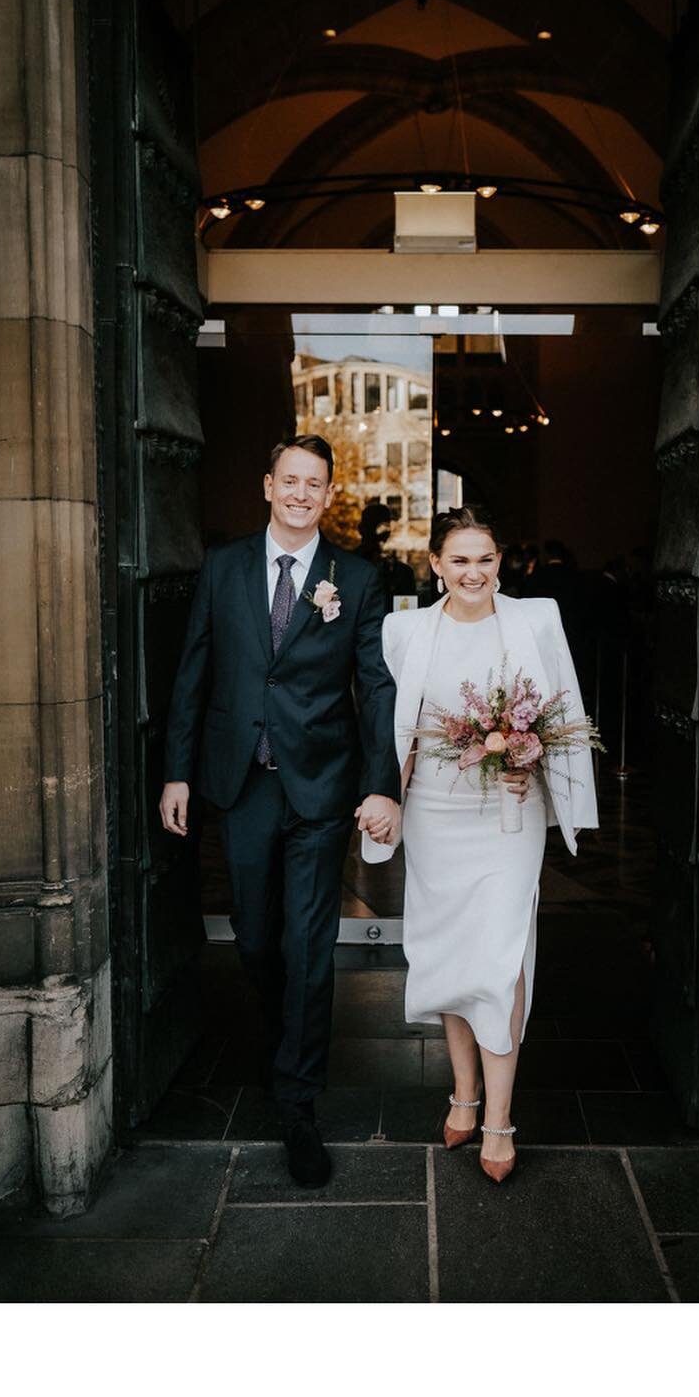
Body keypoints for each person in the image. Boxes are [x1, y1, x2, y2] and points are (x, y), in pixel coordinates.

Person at [159, 436, 402, 1188]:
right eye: (289, 480)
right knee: (259, 941)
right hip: (242, 785)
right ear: (268, 486)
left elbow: (378, 685)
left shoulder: (355, 580)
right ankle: (282, 1041)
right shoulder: (224, 566)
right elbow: (195, 670)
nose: (301, 494)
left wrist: (382, 783)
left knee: (308, 944)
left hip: (321, 787)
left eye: (315, 485)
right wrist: (177, 775)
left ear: (329, 496)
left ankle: (297, 1101)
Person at [361, 505, 598, 1183]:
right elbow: (396, 727)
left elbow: (563, 711)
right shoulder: (403, 630)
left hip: (508, 819)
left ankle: (499, 1117)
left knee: (500, 953)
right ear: (436, 564)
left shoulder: (536, 619)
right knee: (449, 954)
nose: (474, 573)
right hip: (435, 814)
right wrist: (387, 798)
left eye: (485, 560)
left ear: (501, 561)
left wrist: (530, 752)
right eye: (459, 560)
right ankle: (461, 1089)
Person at [355, 499, 416, 603]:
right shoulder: (351, 565)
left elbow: (406, 608)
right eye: (381, 527)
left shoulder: (402, 572)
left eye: (386, 527)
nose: (385, 533)